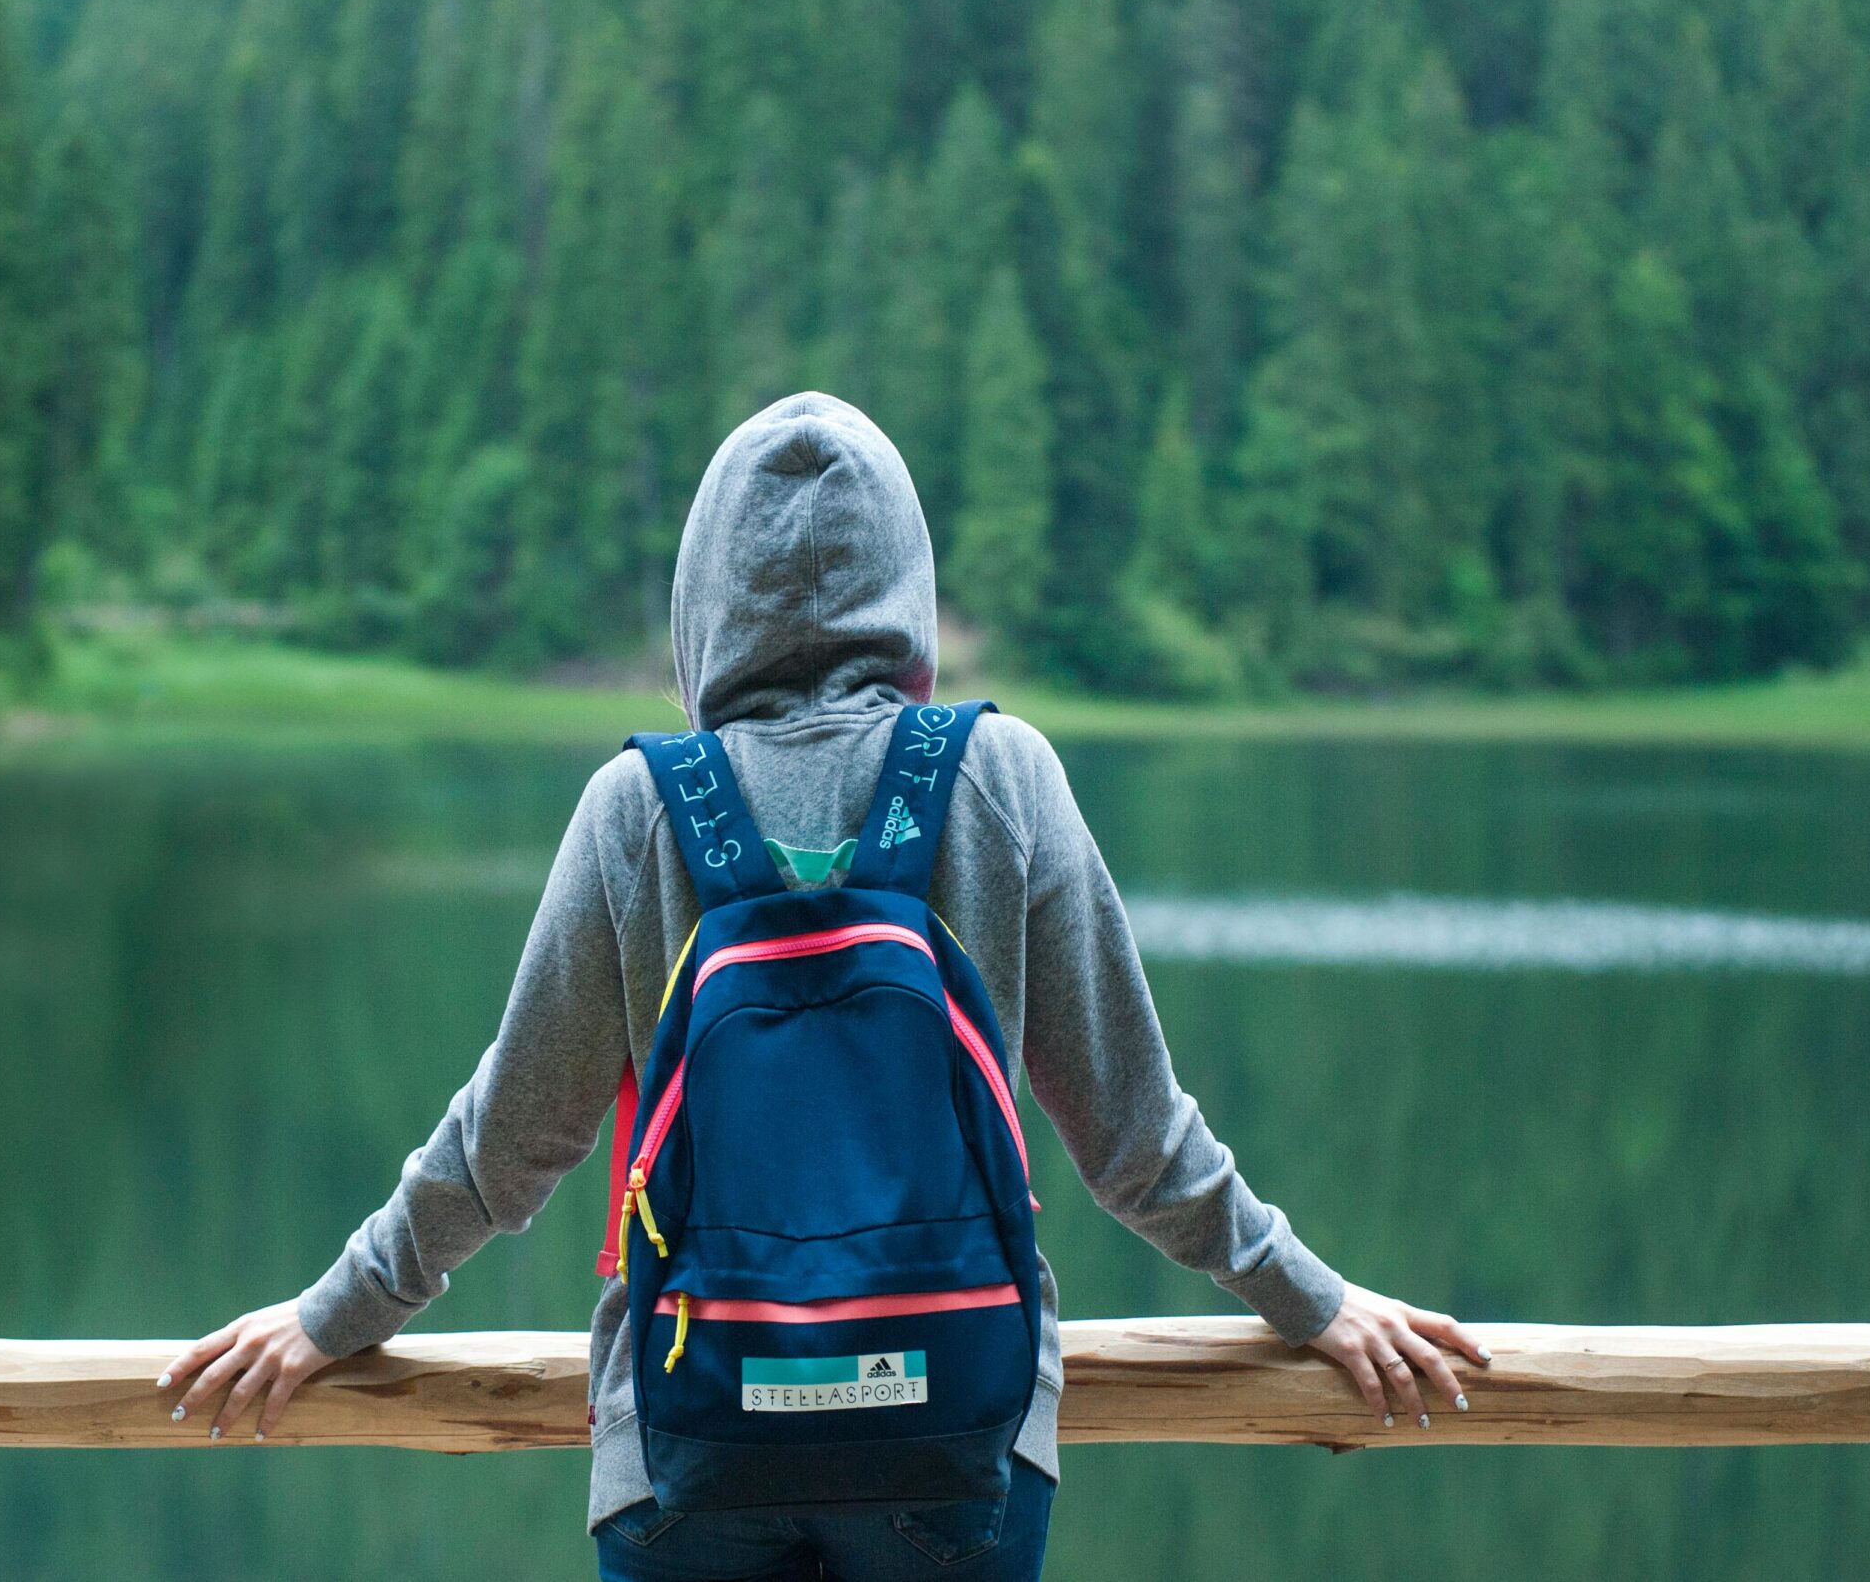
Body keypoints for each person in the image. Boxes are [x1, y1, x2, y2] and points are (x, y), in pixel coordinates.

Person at [162, 392, 1488, 1579]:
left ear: (703, 595)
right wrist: (1315, 1300)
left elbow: (508, 1149)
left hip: (692, 1449)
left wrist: (334, 1314)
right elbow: (1138, 1148)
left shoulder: (637, 808)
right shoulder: (1001, 776)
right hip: (954, 1443)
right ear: (907, 582)